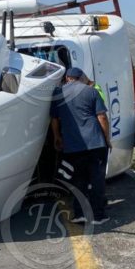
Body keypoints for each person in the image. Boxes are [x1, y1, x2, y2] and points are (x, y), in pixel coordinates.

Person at [50, 67, 112, 225]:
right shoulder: (91, 91)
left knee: (78, 180)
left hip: (72, 145)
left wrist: (57, 137)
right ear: (80, 78)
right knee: (97, 180)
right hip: (95, 143)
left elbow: (54, 119)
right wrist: (107, 139)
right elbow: (102, 117)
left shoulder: (58, 93)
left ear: (67, 78)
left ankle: (80, 214)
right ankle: (98, 216)